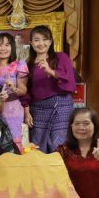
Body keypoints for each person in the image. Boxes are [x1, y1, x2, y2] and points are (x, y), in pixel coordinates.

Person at [27, 25, 76, 153]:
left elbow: (69, 80)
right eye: (36, 40)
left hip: (61, 105)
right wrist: (27, 112)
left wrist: (50, 71)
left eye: (45, 39)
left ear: (50, 42)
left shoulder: (61, 57)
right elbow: (26, 91)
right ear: (31, 43)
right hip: (37, 108)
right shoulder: (28, 64)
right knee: (37, 145)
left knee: (58, 144)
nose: (41, 43)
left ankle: (59, 166)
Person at [0, 33, 30, 151]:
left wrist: (13, 89)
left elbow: (23, 90)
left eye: (7, 45)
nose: (3, 48)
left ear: (12, 47)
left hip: (14, 110)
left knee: (15, 145)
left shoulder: (19, 65)